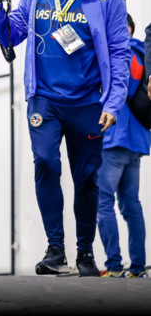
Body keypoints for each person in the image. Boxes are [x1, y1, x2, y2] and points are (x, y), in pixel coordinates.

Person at [0, 0, 129, 277]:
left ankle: (86, 253)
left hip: (88, 102)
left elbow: (121, 53)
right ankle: (56, 248)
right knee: (45, 162)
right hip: (44, 98)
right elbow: (12, 33)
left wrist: (113, 103)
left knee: (87, 177)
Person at [97, 14, 148, 278]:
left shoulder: (122, 54)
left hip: (114, 136)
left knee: (103, 201)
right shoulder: (142, 54)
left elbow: (118, 90)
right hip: (137, 140)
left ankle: (115, 266)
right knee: (131, 204)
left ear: (124, 29)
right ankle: (137, 268)